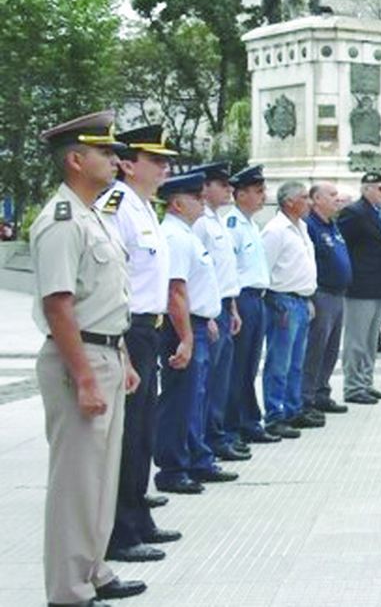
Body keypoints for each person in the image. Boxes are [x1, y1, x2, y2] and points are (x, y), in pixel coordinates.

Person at [32, 112, 148, 606]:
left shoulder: (93, 213)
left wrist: (120, 356)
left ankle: (94, 568)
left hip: (104, 352)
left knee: (101, 475)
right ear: (76, 160)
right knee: (76, 482)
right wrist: (83, 377)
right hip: (76, 359)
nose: (114, 160)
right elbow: (58, 306)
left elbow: (104, 297)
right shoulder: (60, 221)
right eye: (104, 152)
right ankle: (68, 590)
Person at [97, 125, 181, 564]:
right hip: (129, 329)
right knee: (128, 434)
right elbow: (113, 277)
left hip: (151, 328)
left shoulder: (145, 207)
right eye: (155, 160)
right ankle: (120, 532)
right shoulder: (116, 208)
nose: (165, 167)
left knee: (143, 430)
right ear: (128, 165)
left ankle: (139, 515)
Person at [155, 171, 238, 496]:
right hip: (184, 327)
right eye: (196, 198)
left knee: (196, 397)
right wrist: (187, 337)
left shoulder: (186, 234)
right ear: (177, 203)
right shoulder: (175, 237)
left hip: (200, 322)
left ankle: (196, 458)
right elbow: (175, 291)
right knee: (180, 400)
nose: (202, 202)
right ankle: (174, 468)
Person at [186, 162, 247, 463]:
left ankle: (215, 435)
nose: (229, 190)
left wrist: (232, 306)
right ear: (205, 187)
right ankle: (205, 441)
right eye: (223, 185)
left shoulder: (218, 220)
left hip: (224, 305)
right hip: (209, 309)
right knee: (206, 382)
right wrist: (208, 313)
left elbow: (223, 271)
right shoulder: (200, 223)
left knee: (221, 378)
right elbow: (197, 274)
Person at [223, 165, 277, 446]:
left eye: (263, 191)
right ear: (240, 194)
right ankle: (232, 426)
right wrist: (233, 307)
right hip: (242, 299)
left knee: (249, 365)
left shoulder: (251, 225)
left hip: (257, 299)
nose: (262, 196)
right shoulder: (232, 225)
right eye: (257, 192)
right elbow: (230, 270)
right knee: (237, 366)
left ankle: (249, 420)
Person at [260, 182, 316, 439]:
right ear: (289, 202)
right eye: (305, 198)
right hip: (282, 300)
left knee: (296, 362)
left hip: (301, 299)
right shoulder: (275, 230)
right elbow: (265, 269)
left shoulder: (301, 227)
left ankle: (294, 409)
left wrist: (308, 297)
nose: (310, 202)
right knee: (279, 362)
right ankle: (275, 414)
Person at [337, 171, 381, 405]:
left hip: (378, 285)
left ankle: (366, 381)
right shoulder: (354, 213)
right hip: (360, 286)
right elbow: (343, 246)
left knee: (371, 340)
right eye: (380, 188)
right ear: (366, 189)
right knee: (357, 340)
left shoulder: (380, 214)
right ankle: (353, 386)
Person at [301, 182, 349, 419]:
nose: (336, 199)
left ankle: (322, 392)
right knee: (315, 348)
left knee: (330, 348)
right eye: (331, 195)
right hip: (321, 293)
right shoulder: (311, 226)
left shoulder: (333, 225)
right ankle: (306, 397)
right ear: (316, 199)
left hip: (338, 294)